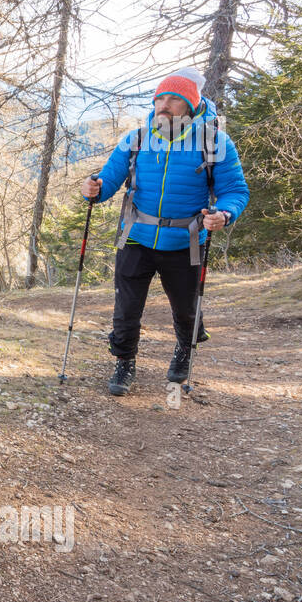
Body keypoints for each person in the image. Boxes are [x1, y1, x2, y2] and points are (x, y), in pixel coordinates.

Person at [81, 67, 250, 396]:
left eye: (174, 99)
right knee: (126, 308)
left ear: (190, 104)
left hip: (185, 240)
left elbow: (235, 190)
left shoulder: (215, 141)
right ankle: (124, 361)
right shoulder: (139, 137)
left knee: (186, 308)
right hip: (136, 236)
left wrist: (225, 213)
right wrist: (95, 188)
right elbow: (109, 178)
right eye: (160, 99)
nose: (164, 105)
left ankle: (186, 351)